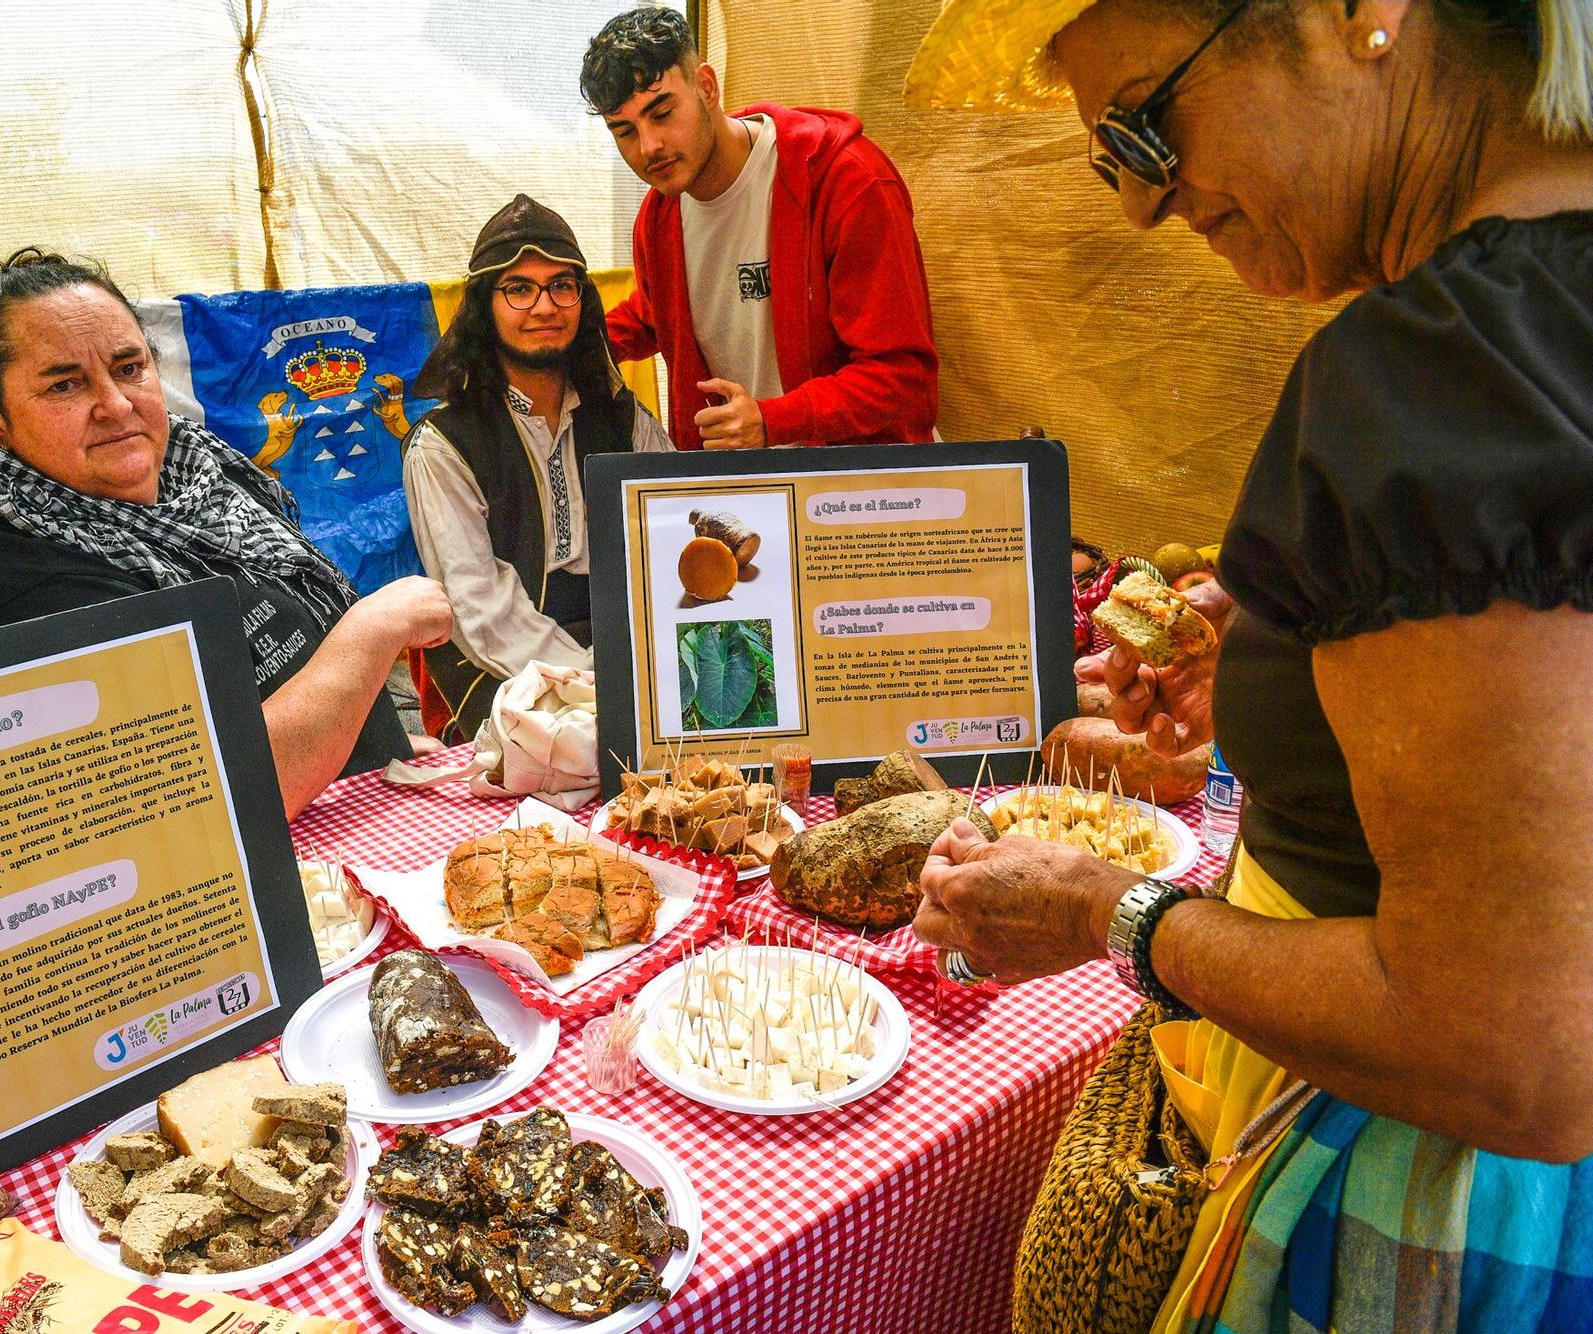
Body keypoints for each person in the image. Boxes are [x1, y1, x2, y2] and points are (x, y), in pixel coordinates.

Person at [904, 0, 1593, 1328]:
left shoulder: (1449, 373)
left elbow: (1519, 1057)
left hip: (1439, 1217)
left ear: (1363, 15)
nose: (1139, 207)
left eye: (1142, 125)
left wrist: (1115, 914)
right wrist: (1302, 691)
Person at [0, 249, 453, 819]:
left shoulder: (200, 475)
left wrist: (365, 744)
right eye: (66, 386)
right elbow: (214, 796)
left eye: (128, 368)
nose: (116, 406)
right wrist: (371, 633)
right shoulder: (16, 590)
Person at [580, 6, 940, 450]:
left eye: (662, 113)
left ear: (707, 88)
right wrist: (559, 343)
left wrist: (773, 421)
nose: (650, 146)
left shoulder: (846, 180)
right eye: (625, 132)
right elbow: (658, 314)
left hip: (865, 493)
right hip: (745, 494)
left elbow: (900, 371)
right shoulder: (659, 216)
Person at [402, 195, 673, 742]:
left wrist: (653, 660)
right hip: (505, 667)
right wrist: (604, 683)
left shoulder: (625, 421)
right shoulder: (443, 444)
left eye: (561, 286)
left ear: (582, 300)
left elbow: (673, 540)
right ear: (486, 307)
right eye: (519, 289)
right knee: (575, 763)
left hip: (626, 643)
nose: (545, 307)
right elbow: (481, 611)